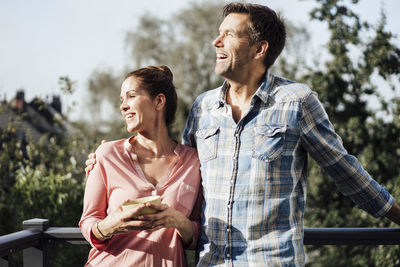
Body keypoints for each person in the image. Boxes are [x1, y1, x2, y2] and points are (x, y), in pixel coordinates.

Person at [86, 3, 400, 266]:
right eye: (218, 34)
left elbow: (346, 173)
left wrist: (395, 212)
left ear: (259, 49)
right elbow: (179, 166)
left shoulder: (297, 101)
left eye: (229, 35)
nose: (216, 42)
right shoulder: (203, 108)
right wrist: (106, 161)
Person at [79, 66, 202, 267]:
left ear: (159, 101)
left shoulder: (193, 162)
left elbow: (197, 234)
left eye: (131, 96)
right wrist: (112, 225)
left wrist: (178, 221)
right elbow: (88, 221)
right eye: (121, 100)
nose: (123, 106)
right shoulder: (107, 155)